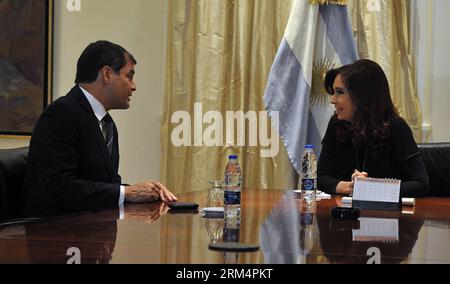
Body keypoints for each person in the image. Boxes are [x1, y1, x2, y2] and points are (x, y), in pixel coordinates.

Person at [24, 40, 177, 217]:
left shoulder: (107, 123)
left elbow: (104, 183)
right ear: (107, 74)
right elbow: (58, 187)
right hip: (55, 235)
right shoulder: (60, 115)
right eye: (129, 76)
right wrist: (126, 193)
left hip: (92, 231)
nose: (133, 86)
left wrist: (142, 193)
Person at [317, 59, 429, 198]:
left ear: (361, 95)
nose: (333, 100)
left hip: (388, 217)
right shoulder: (336, 124)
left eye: (339, 92)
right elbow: (321, 177)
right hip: (345, 214)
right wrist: (346, 187)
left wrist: (371, 188)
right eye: (333, 92)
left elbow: (421, 184)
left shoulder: (397, 127)